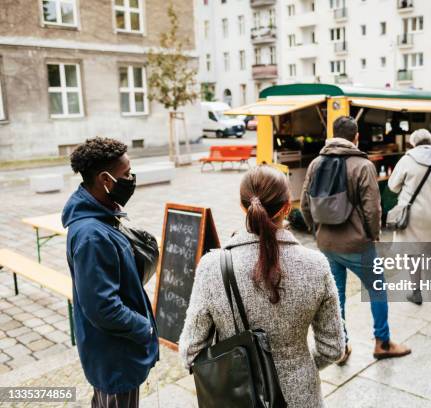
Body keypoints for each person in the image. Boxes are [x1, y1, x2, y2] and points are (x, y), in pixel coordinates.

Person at [179, 165, 345, 408]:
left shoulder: (212, 267)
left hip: (240, 397)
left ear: (242, 206)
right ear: (288, 207)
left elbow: (190, 354)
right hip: (302, 396)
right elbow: (333, 349)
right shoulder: (317, 265)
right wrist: (297, 363)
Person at [301, 116, 411, 363]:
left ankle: (341, 348)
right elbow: (373, 208)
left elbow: (304, 204)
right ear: (356, 137)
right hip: (358, 244)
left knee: (336, 295)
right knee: (377, 288)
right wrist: (372, 236)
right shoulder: (363, 165)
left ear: (332, 134)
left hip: (327, 244)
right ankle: (382, 342)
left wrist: (316, 231)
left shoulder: (316, 163)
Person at [62, 137, 158, 408]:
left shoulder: (102, 215)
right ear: (105, 179)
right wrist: (145, 328)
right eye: (126, 174)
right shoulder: (92, 236)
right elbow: (102, 308)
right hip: (115, 356)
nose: (131, 178)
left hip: (114, 352)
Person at [388, 129, 431, 305]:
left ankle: (416, 292)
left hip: (412, 215)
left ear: (413, 142)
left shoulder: (407, 160)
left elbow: (393, 186)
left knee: (413, 252)